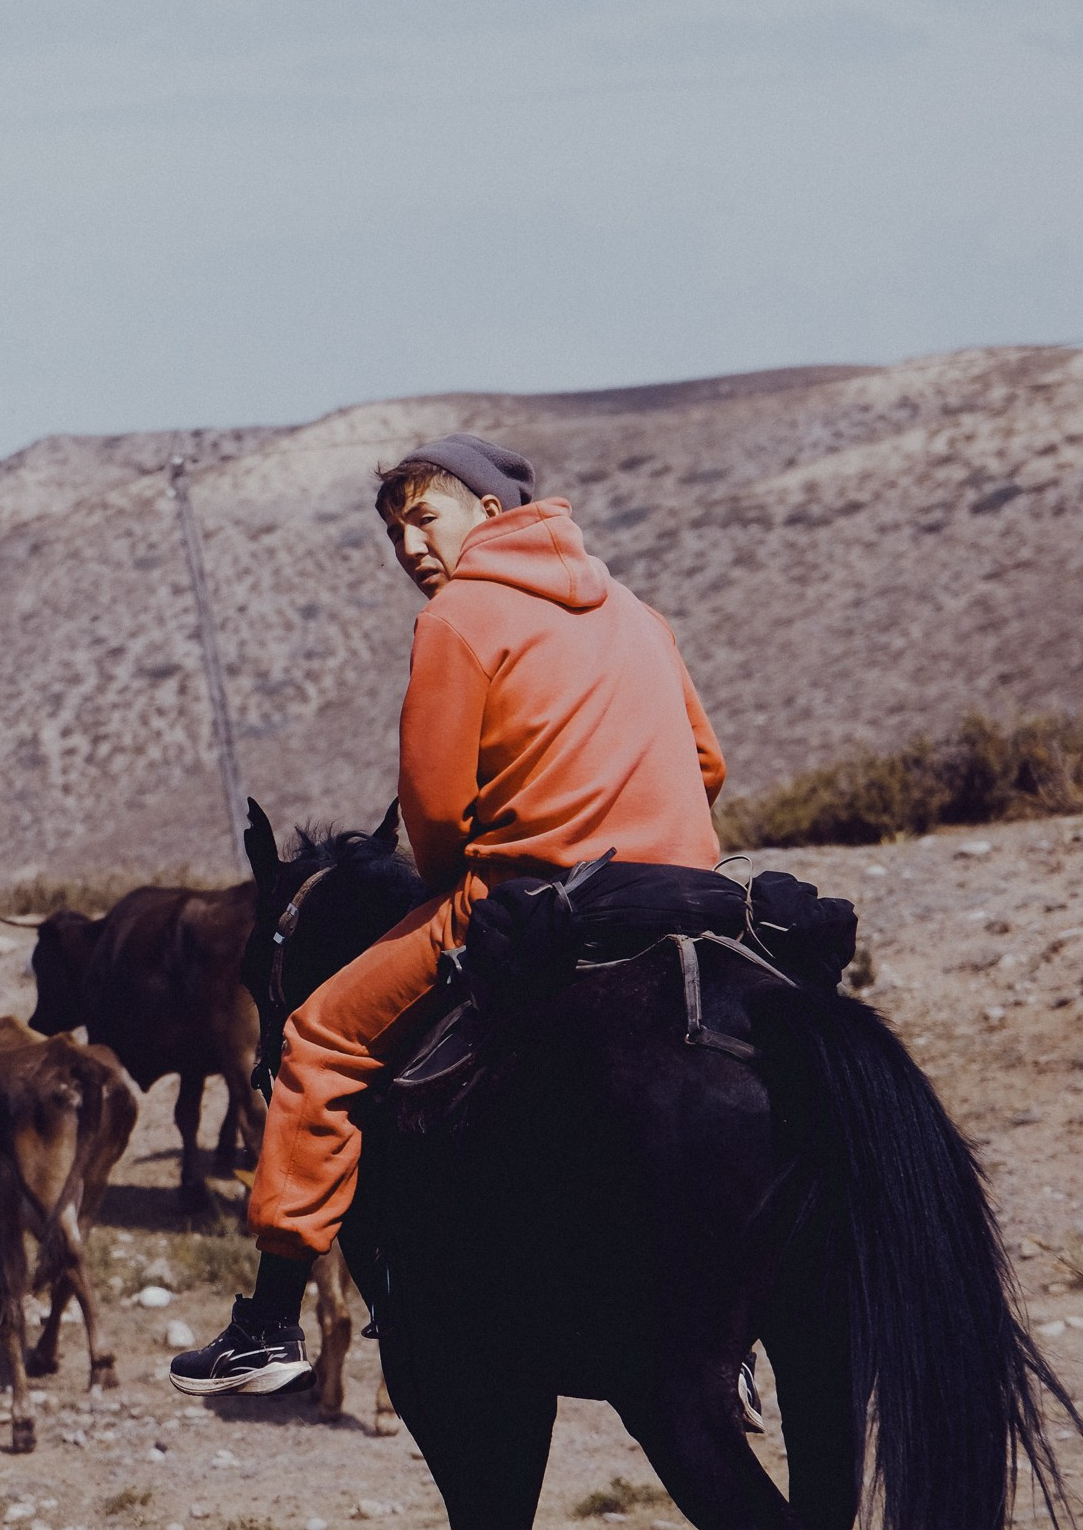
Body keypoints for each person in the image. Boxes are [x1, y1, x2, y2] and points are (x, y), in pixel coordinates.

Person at [169, 433, 726, 1397]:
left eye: (424, 516)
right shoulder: (639, 611)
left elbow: (431, 809)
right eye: (393, 532)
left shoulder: (460, 619)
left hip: (529, 896)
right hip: (684, 894)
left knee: (316, 1041)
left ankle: (267, 1324)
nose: (409, 546)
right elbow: (708, 764)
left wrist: (465, 869)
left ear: (493, 510)